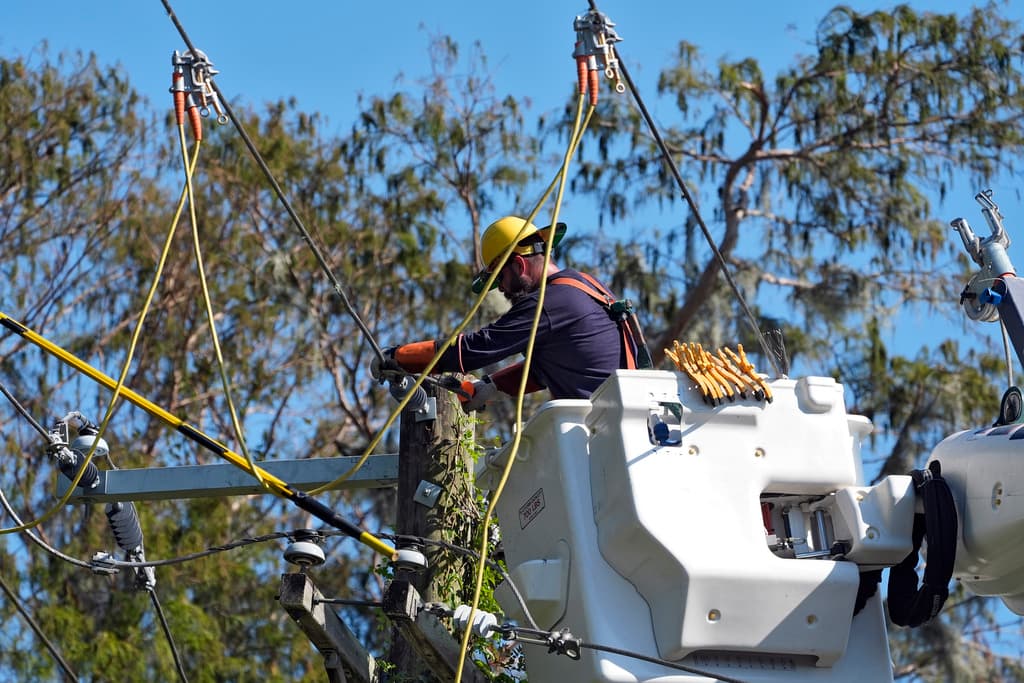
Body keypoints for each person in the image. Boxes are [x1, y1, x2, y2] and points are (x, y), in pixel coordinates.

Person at [378, 215, 645, 411]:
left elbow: (477, 348)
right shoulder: (585, 286)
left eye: (500, 278)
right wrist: (490, 387)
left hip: (607, 430)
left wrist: (398, 357)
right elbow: (550, 368)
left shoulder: (550, 302)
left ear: (518, 264)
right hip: (624, 424)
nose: (502, 289)